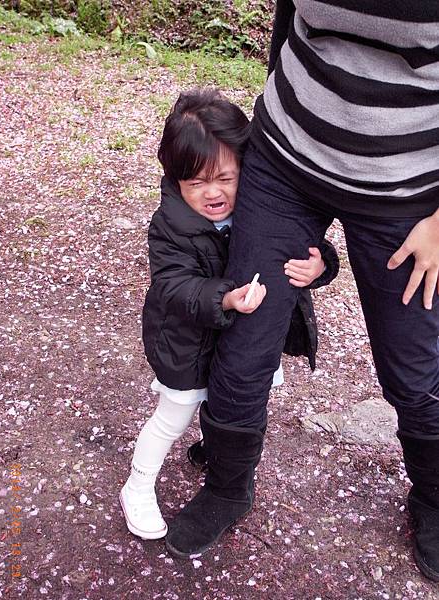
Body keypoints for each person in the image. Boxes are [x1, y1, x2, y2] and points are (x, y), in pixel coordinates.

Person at [165, 1, 439, 581]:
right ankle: (227, 487)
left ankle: (435, 500)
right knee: (244, 340)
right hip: (286, 166)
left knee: (415, 373)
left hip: (409, 193)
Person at [119, 88, 339, 540]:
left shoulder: (261, 214)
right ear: (175, 180)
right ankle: (137, 486)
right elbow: (174, 285)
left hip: (244, 340)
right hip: (188, 343)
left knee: (235, 399)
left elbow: (298, 253)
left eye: (224, 178)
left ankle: (214, 450)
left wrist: (321, 266)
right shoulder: (170, 225)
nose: (213, 193)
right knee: (173, 417)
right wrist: (224, 297)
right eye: (196, 183)